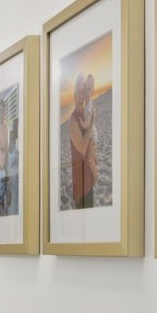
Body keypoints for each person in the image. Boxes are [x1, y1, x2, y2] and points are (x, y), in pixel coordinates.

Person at [66, 71, 99, 209]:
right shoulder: (73, 119)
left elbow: (90, 144)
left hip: (88, 177)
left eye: (83, 91)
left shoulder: (84, 113)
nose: (81, 95)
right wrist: (91, 123)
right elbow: (82, 147)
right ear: (74, 95)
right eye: (79, 92)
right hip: (80, 181)